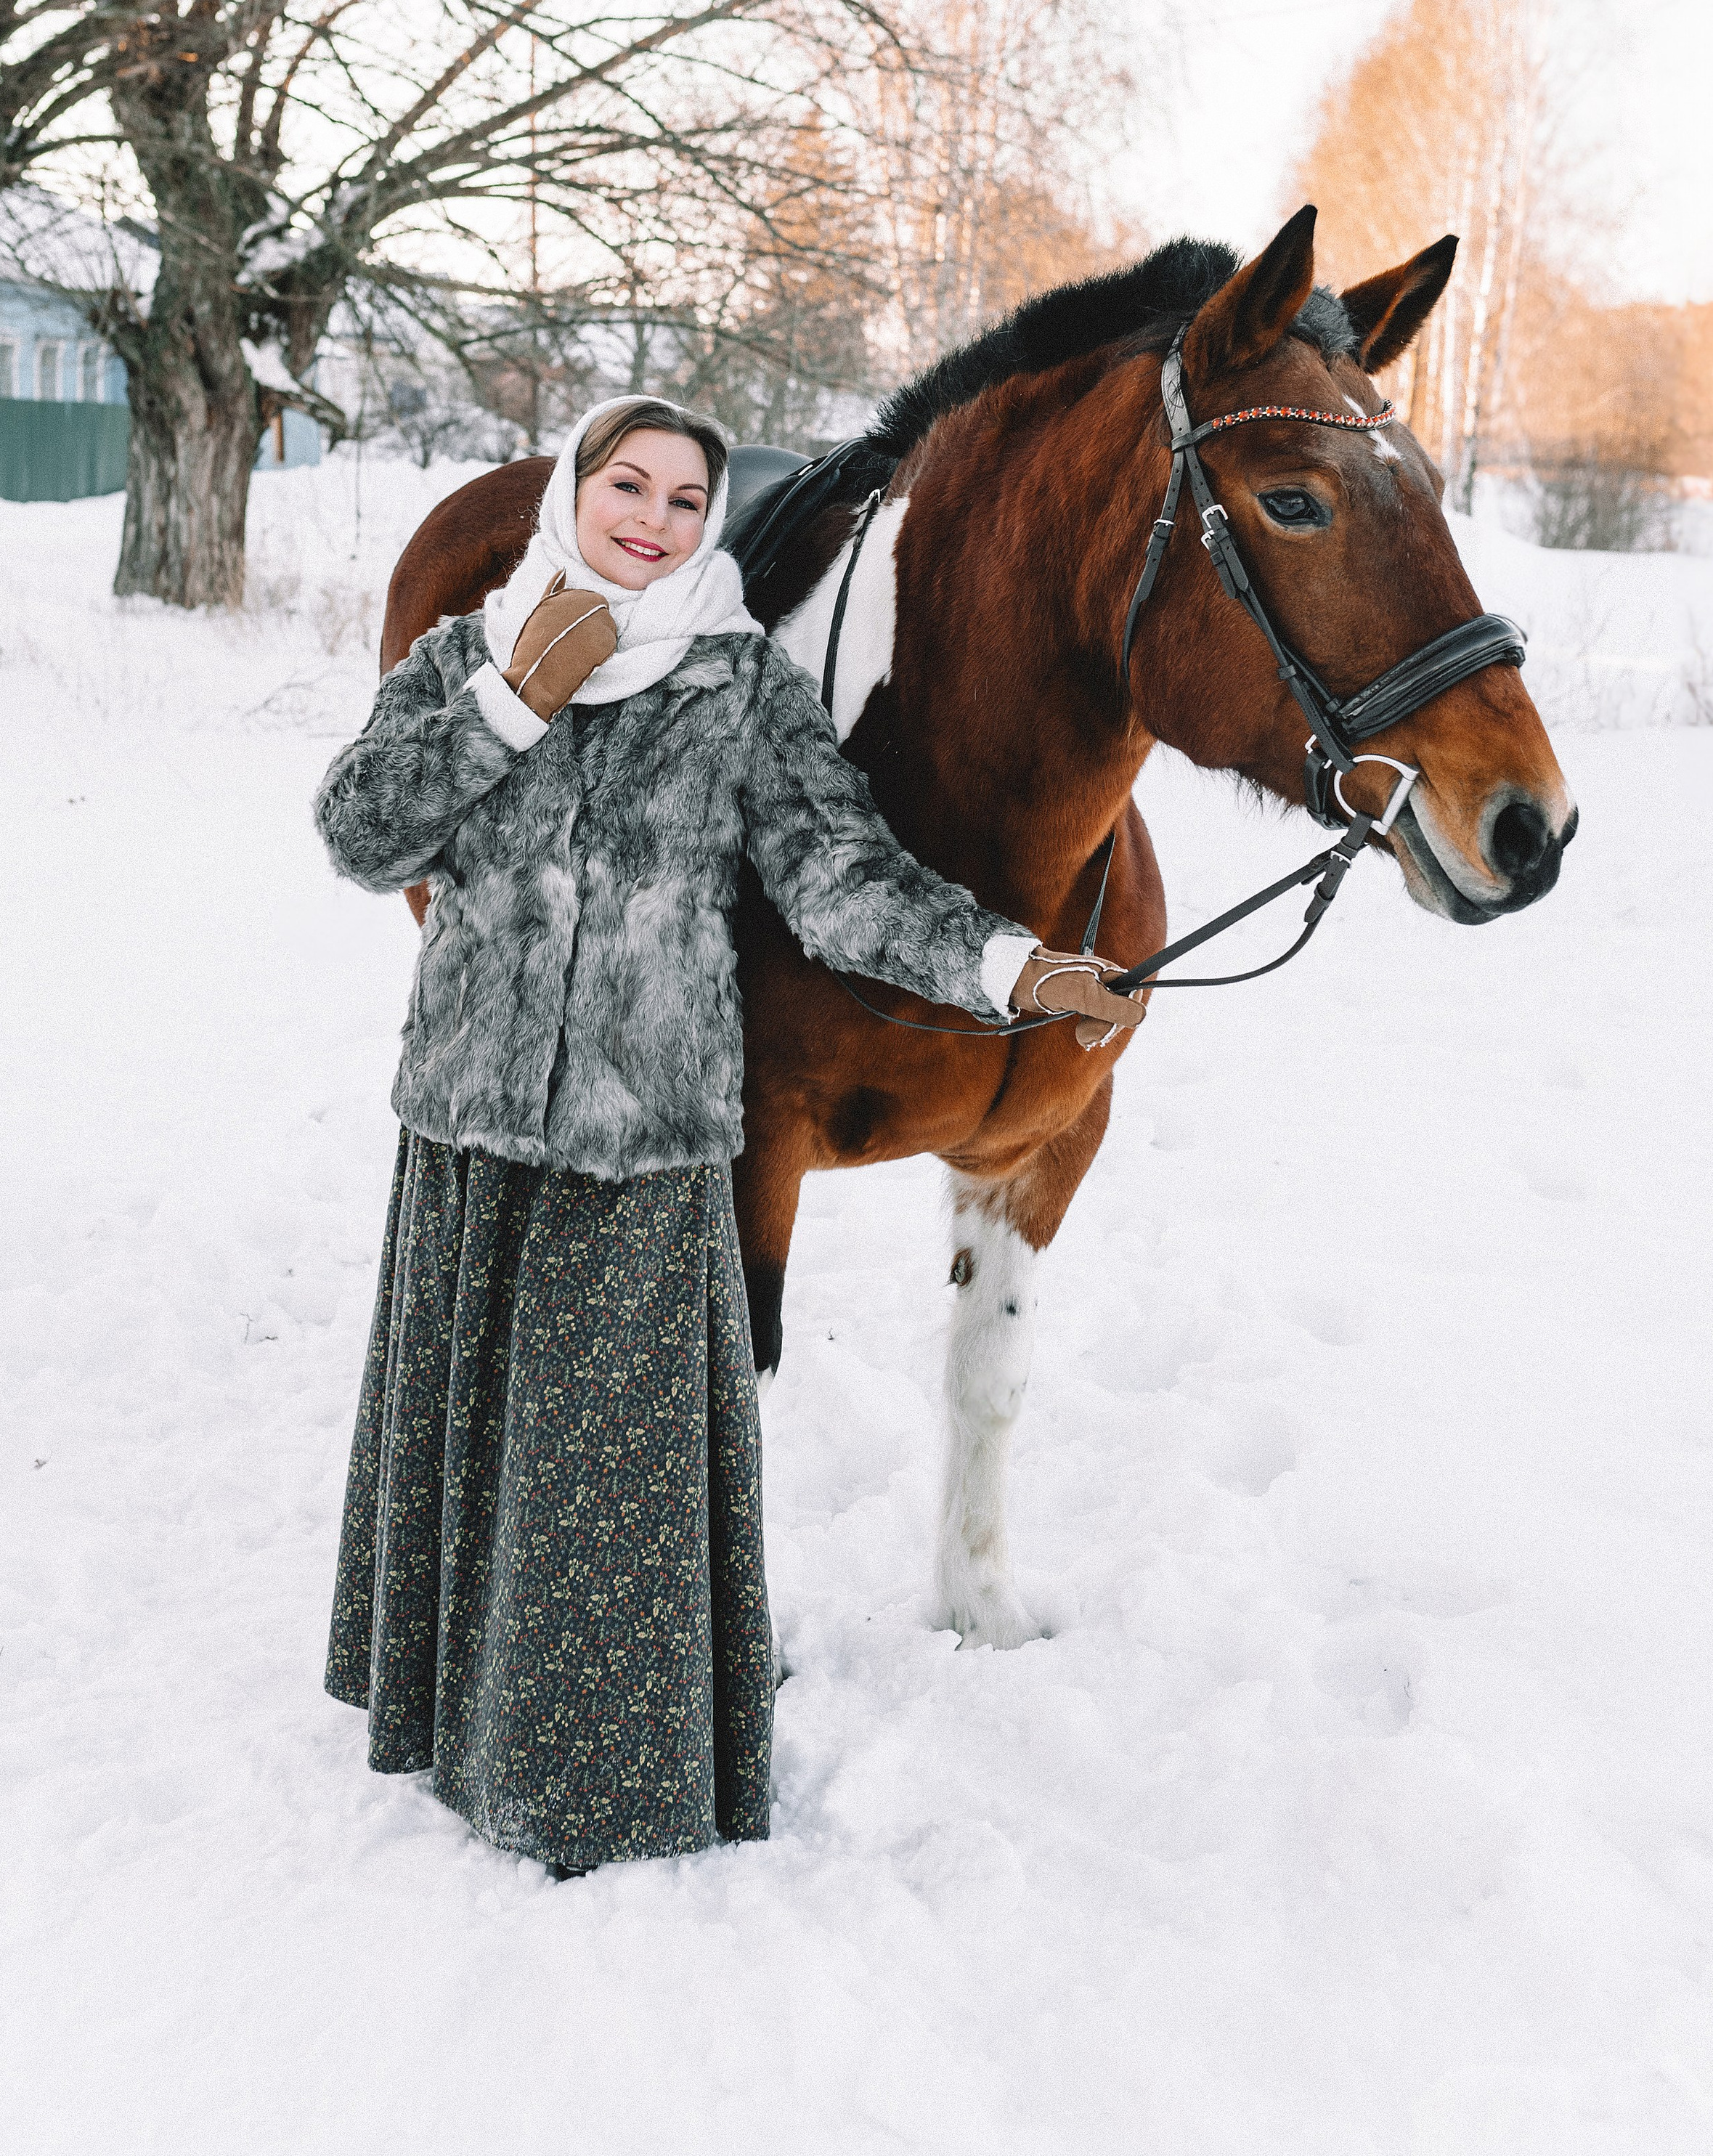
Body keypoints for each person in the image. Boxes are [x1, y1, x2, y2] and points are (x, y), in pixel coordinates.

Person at [314, 392, 1135, 1872]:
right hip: (467, 1129)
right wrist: (512, 702)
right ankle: (450, 1721)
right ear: (573, 491)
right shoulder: (462, 655)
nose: (652, 518)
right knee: (477, 1444)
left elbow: (842, 883)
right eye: (625, 485)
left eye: (686, 502)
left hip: (647, 1142)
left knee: (607, 1482)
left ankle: (599, 1791)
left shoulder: (739, 691)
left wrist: (1010, 963)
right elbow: (359, 833)